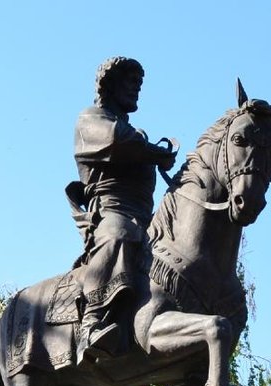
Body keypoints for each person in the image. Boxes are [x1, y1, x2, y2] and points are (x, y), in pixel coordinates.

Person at [70, 57, 177, 362]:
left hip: (144, 217)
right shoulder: (91, 120)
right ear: (109, 85)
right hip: (110, 213)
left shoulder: (137, 134)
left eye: (139, 85)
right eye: (130, 83)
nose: (136, 90)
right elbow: (118, 141)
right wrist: (155, 152)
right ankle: (92, 322)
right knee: (119, 234)